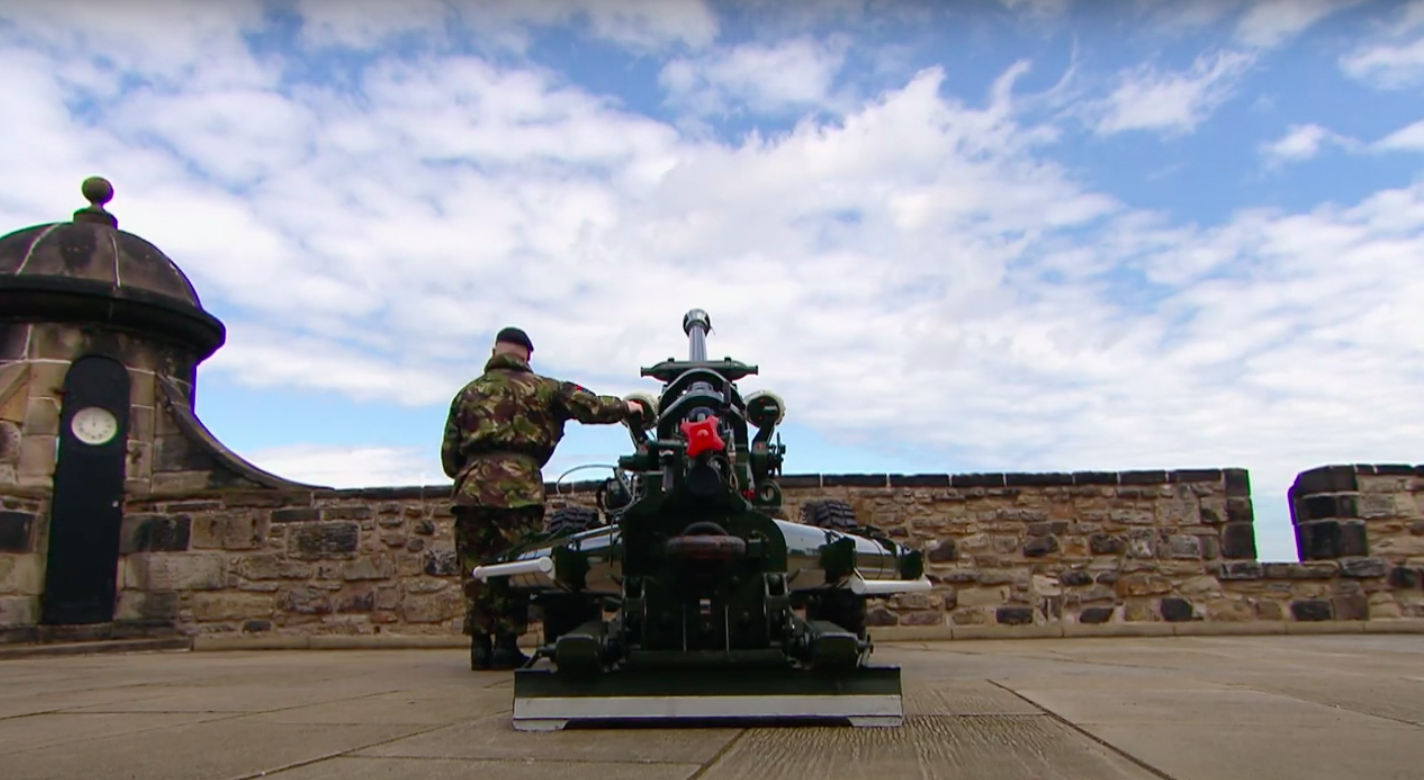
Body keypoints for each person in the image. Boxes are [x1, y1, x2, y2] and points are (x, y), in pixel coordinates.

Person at [441, 326, 644, 670]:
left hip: (471, 489)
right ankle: (505, 646)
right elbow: (590, 406)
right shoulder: (545, 388)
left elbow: (449, 457)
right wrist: (627, 407)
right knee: (512, 565)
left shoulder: (466, 394)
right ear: (527, 357)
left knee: (474, 569)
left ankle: (479, 647)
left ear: (494, 352)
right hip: (519, 490)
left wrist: (476, 471)